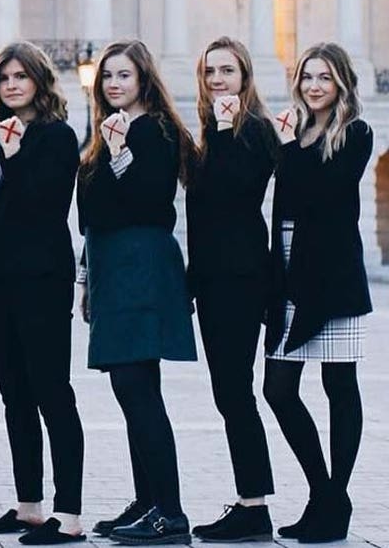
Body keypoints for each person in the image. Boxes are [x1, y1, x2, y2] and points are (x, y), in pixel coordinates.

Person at [77, 39, 198, 545]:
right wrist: (86, 279)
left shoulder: (155, 130)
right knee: (134, 390)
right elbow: (91, 216)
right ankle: (148, 500)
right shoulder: (106, 134)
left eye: (123, 75)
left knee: (136, 389)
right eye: (107, 76)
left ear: (143, 78)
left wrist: (122, 153)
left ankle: (170, 512)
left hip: (143, 266)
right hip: (113, 266)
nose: (113, 84)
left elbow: (150, 200)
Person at [0, 42, 85, 544]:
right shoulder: (0, 136)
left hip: (42, 280)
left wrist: (14, 158)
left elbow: (47, 205)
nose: (11, 85)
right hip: (3, 282)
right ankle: (29, 506)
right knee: (14, 396)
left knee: (52, 392)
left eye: (20, 76)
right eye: (3, 79)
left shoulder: (58, 136)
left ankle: (70, 514)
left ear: (39, 80)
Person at [261, 42, 373, 543]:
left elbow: (321, 196)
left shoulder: (355, 134)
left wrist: (289, 149)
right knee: (278, 390)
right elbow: (282, 203)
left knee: (339, 388)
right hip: (288, 269)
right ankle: (327, 495)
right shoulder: (291, 131)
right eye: (307, 77)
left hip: (332, 276)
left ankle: (331, 502)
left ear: (342, 82)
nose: (314, 86)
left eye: (324, 77)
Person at [185, 37, 280, 542]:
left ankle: (254, 505)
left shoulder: (255, 131)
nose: (217, 79)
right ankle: (251, 499)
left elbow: (240, 191)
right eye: (209, 72)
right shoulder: (208, 132)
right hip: (213, 282)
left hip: (242, 280)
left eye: (227, 71)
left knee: (236, 393)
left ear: (245, 77)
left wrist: (223, 130)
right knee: (229, 393)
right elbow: (199, 215)